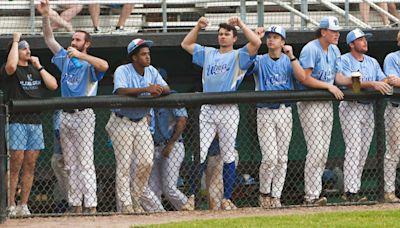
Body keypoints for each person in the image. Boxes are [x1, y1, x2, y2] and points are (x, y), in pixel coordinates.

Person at [181, 16, 261, 210]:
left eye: (226, 34)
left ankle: (227, 198)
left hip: (228, 109)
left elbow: (256, 42)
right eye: (220, 34)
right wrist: (198, 27)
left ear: (234, 38)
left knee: (227, 155)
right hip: (208, 108)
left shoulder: (239, 55)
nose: (222, 37)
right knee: (199, 154)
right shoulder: (208, 53)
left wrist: (241, 24)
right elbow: (186, 43)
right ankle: (191, 197)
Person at [37, 0, 109, 214]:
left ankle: (92, 206)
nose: (73, 41)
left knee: (86, 162)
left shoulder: (87, 61)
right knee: (70, 164)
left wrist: (80, 55)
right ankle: (75, 205)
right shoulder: (66, 58)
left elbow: (104, 65)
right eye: (73, 38)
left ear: (86, 44)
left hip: (84, 115)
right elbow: (48, 38)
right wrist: (45, 16)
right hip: (65, 115)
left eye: (77, 39)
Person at [105, 38, 170, 213]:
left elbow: (167, 88)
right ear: (134, 57)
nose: (147, 57)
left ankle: (135, 198)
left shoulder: (151, 71)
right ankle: (126, 205)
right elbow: (120, 90)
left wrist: (159, 89)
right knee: (124, 165)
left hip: (141, 121)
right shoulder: (122, 70)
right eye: (143, 54)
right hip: (122, 121)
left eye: (148, 53)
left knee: (146, 162)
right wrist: (146, 90)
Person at [246, 25, 305, 208]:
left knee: (282, 158)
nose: (271, 39)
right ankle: (264, 192)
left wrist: (292, 56)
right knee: (270, 157)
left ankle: (276, 196)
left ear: (283, 41)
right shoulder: (261, 59)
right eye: (269, 37)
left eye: (276, 37)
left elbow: (301, 77)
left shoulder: (289, 60)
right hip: (265, 111)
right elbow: (245, 66)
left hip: (285, 111)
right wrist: (255, 39)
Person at [1, 32, 58, 216]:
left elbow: (53, 85)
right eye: (23, 48)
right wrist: (15, 40)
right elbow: (10, 66)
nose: (28, 50)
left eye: (28, 48)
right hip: (16, 121)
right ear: (16, 51)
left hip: (35, 122)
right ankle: (9, 204)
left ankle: (23, 205)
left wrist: (39, 66)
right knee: (15, 164)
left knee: (30, 165)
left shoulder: (35, 69)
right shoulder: (10, 69)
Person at [297, 16, 351, 206]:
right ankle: (310, 196)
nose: (337, 34)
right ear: (323, 32)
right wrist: (328, 87)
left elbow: (338, 78)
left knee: (323, 152)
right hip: (310, 102)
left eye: (337, 31)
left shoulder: (335, 49)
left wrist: (356, 81)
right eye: (333, 31)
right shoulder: (311, 48)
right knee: (316, 150)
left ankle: (315, 193)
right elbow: (305, 78)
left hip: (326, 103)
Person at [339, 28, 392, 203]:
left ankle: (355, 189)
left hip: (368, 108)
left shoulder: (372, 62)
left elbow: (383, 79)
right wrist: (373, 84)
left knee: (362, 151)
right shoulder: (344, 60)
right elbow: (351, 83)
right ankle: (350, 191)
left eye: (365, 39)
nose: (365, 42)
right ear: (352, 44)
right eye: (361, 40)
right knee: (354, 149)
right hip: (351, 107)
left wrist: (380, 83)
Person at [141, 81, 194, 212]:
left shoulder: (173, 98)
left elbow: (182, 120)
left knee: (169, 188)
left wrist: (170, 144)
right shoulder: (147, 99)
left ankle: (188, 208)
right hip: (152, 146)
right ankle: (159, 217)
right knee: (153, 188)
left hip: (173, 145)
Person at [383, 30, 400, 203]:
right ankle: (389, 191)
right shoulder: (392, 58)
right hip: (397, 108)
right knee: (393, 151)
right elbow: (393, 81)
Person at [50, 110, 69, 213]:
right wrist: (66, 154)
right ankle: (70, 206)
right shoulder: (60, 112)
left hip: (70, 157)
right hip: (61, 156)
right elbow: (59, 133)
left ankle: (72, 206)